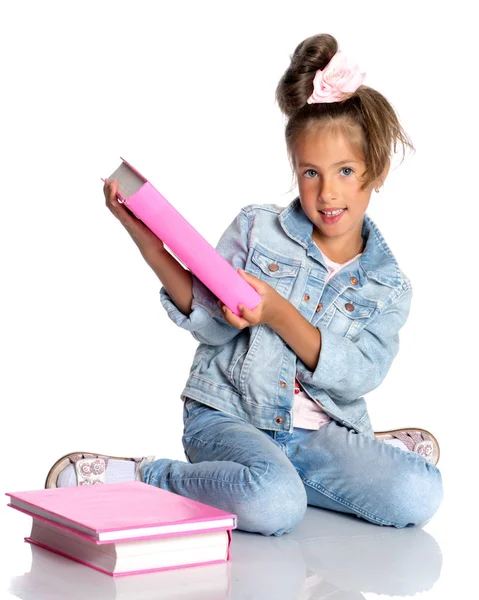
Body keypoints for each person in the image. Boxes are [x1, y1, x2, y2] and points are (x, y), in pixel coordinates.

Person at [46, 33, 443, 535]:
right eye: (310, 172)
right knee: (274, 507)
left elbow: (358, 376)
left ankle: (342, 465)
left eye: (346, 171)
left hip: (319, 434)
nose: (328, 192)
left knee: (420, 491)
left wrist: (279, 313)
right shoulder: (259, 230)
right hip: (229, 418)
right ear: (295, 171)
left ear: (376, 172)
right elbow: (211, 323)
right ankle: (146, 477)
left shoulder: (388, 285)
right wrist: (146, 240)